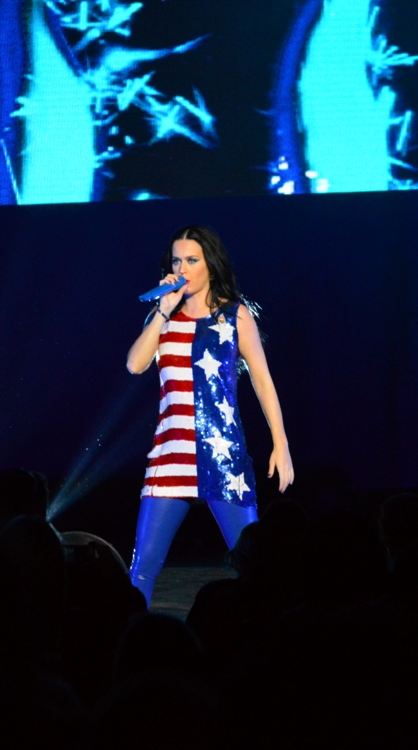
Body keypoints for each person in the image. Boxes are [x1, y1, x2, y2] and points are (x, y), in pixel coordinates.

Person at [125, 225, 293, 607]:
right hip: (171, 457)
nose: (182, 269)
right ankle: (131, 634)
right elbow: (135, 365)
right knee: (143, 566)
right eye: (176, 261)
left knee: (255, 562)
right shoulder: (163, 318)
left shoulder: (235, 316)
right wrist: (162, 310)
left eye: (191, 260)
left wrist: (280, 443)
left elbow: (263, 382)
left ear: (210, 266)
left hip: (222, 456)